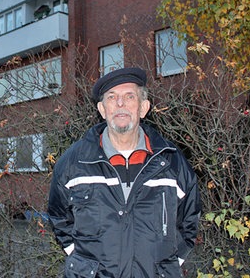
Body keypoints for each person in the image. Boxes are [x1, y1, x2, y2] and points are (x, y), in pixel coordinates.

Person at [48, 67, 201, 277]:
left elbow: (189, 220)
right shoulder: (74, 163)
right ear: (102, 109)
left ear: (143, 107)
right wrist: (81, 261)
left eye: (129, 96)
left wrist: (168, 266)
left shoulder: (172, 162)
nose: (120, 104)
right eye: (112, 97)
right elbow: (58, 216)